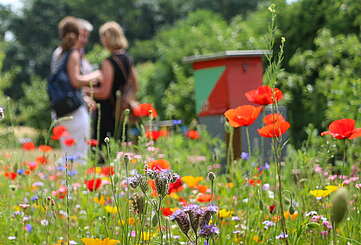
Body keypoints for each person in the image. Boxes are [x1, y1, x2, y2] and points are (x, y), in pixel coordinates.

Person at [50, 16, 101, 162]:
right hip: (74, 109)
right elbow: (75, 80)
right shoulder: (73, 54)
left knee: (67, 151)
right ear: (78, 35)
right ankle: (74, 183)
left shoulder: (59, 53)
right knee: (79, 154)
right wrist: (96, 75)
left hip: (59, 108)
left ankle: (64, 181)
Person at [87, 21, 138, 147]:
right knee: (121, 148)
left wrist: (83, 91)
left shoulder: (108, 62)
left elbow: (104, 93)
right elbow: (135, 85)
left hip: (108, 113)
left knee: (104, 153)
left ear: (107, 38)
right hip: (121, 111)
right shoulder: (127, 58)